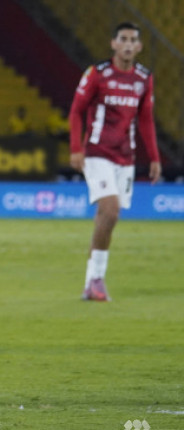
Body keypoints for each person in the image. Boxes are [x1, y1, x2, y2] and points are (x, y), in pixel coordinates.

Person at [69, 21, 161, 302]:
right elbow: (76, 111)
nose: (129, 44)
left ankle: (91, 282)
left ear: (140, 46)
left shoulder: (144, 79)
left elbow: (145, 119)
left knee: (107, 218)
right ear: (113, 43)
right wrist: (76, 148)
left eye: (133, 40)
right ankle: (97, 280)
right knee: (110, 211)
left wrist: (154, 157)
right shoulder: (97, 74)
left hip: (126, 157)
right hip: (97, 152)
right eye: (123, 39)